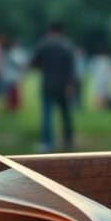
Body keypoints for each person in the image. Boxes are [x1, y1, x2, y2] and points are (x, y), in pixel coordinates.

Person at [30, 23, 76, 152]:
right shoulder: (67, 46)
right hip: (63, 85)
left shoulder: (44, 45)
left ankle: (47, 142)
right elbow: (71, 68)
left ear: (50, 32)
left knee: (47, 115)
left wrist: (42, 67)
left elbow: (34, 62)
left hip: (48, 84)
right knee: (66, 114)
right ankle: (68, 140)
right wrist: (70, 85)